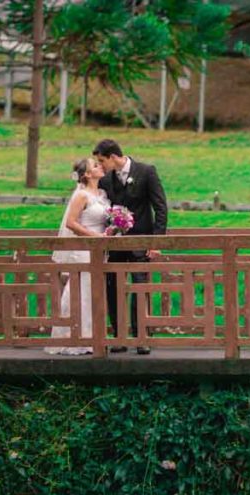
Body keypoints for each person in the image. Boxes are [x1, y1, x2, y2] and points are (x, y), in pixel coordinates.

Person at [93, 139, 168, 355]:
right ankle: (119, 337)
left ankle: (142, 337)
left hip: (141, 243)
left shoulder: (146, 172)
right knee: (113, 289)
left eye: (101, 161)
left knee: (139, 288)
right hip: (116, 245)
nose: (100, 165)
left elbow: (160, 208)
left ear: (113, 157)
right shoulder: (106, 180)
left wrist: (156, 242)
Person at [46, 158, 109, 356]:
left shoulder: (102, 194)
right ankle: (72, 339)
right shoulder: (81, 195)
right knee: (80, 292)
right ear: (87, 175)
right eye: (95, 166)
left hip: (99, 250)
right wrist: (95, 237)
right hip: (83, 249)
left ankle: (93, 338)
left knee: (94, 293)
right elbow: (71, 223)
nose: (100, 167)